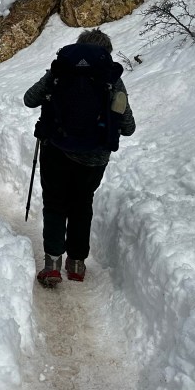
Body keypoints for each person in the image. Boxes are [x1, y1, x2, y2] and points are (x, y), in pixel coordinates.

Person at [23, 28, 135, 286]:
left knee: (55, 203)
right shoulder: (111, 78)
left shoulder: (61, 71)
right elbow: (128, 127)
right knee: (82, 204)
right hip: (95, 158)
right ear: (106, 53)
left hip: (56, 150)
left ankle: (52, 265)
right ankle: (76, 264)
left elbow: (30, 99)